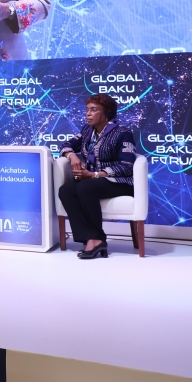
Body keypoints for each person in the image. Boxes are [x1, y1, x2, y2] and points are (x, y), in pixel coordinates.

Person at [58, 94, 137, 260]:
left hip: (119, 182)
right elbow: (66, 145)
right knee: (66, 190)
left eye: (93, 110)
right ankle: (89, 237)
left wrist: (94, 175)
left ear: (106, 113)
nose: (88, 114)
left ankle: (97, 239)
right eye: (87, 110)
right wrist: (72, 156)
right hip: (93, 181)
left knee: (85, 187)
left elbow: (127, 166)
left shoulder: (123, 133)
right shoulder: (87, 131)